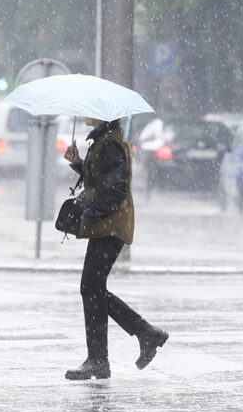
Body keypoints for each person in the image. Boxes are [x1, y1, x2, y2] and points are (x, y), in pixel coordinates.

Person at [62, 117, 168, 380]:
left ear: (102, 114)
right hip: (107, 224)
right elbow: (101, 179)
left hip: (110, 225)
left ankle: (106, 355)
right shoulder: (104, 139)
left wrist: (94, 211)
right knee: (92, 288)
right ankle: (137, 338)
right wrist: (78, 164)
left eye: (90, 110)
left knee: (90, 287)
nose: (86, 113)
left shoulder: (109, 142)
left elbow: (117, 186)